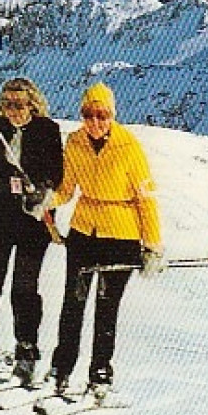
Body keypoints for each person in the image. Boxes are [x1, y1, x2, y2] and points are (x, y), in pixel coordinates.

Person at [49, 82, 162, 398]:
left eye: (102, 115)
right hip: (84, 232)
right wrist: (46, 200)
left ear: (112, 115)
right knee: (73, 303)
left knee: (106, 308)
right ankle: (61, 368)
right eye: (88, 114)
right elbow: (66, 189)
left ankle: (100, 373)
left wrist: (152, 244)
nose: (95, 122)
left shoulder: (129, 148)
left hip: (121, 235)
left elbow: (147, 199)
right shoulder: (74, 143)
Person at [0, 76, 64, 386]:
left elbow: (57, 173)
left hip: (33, 221)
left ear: (32, 104)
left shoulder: (48, 130)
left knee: (24, 286)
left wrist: (42, 190)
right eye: (6, 104)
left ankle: (26, 352)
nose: (12, 110)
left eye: (18, 104)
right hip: (0, 217)